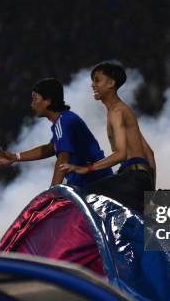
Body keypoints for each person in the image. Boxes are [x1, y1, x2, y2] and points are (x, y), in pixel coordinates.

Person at [59, 61, 156, 212]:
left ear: (111, 83)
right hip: (140, 179)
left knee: (80, 197)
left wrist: (87, 168)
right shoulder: (124, 110)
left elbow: (121, 154)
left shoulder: (116, 112)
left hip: (132, 178)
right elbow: (149, 153)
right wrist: (151, 193)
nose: (93, 85)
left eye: (97, 80)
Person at [0, 78, 112, 187]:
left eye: (35, 99)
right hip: (90, 184)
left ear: (48, 101)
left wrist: (53, 193)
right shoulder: (63, 120)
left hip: (96, 184)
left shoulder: (64, 121)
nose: (32, 104)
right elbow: (51, 148)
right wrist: (16, 157)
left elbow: (63, 158)